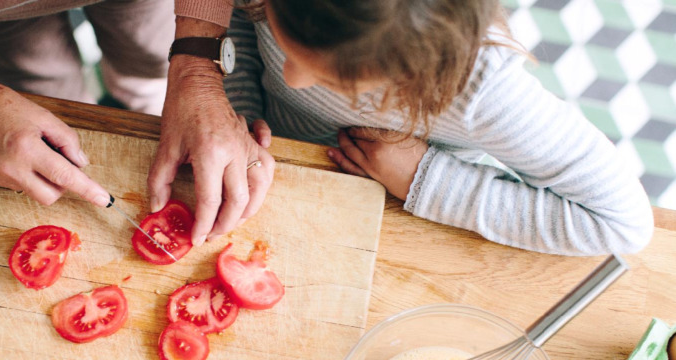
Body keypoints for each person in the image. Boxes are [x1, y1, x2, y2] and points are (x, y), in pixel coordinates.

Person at [0, 0, 274, 248]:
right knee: (42, 89)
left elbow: (184, 58)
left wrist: (195, 64)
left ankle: (144, 106)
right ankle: (66, 137)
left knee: (148, 71)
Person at [222, 0, 654, 256]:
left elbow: (622, 222)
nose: (292, 78)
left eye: (333, 79)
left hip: (400, 219)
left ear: (416, 69)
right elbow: (239, 17)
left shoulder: (482, 93)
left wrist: (423, 179)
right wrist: (235, 112)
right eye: (282, 37)